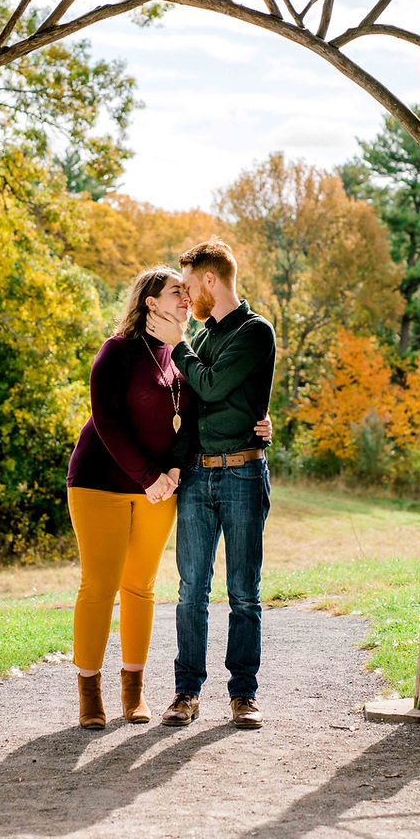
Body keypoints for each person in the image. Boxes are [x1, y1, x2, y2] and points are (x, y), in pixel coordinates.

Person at [66, 265, 270, 731]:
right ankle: (89, 693)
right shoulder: (117, 350)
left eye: (186, 290)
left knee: (140, 587)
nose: (186, 298)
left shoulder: (183, 353)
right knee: (99, 587)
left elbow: (196, 417)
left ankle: (133, 691)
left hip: (160, 486)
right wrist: (148, 477)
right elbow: (106, 421)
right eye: (176, 291)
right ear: (151, 302)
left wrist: (176, 468)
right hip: (101, 482)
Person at [147, 237, 276, 731]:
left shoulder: (255, 331)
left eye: (188, 285)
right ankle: (187, 693)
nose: (185, 297)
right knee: (191, 591)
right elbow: (191, 403)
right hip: (199, 475)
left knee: (244, 591)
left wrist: (177, 344)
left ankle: (244, 695)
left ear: (209, 279)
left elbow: (213, 385)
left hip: (244, 472)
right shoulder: (200, 341)